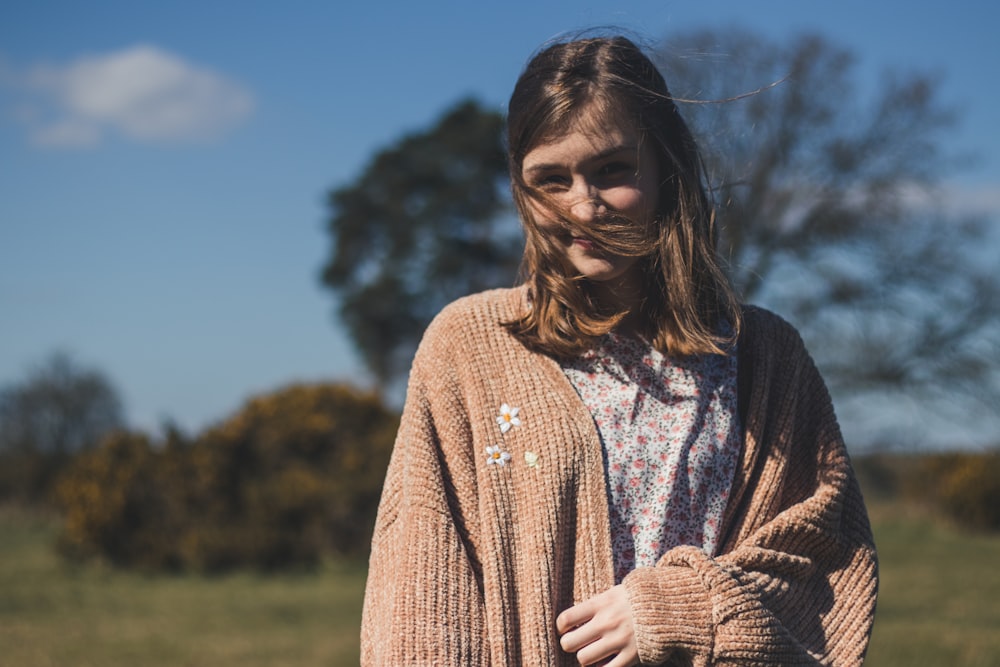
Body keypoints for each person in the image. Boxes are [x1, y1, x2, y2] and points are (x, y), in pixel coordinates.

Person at [361, 34, 877, 666]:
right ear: (522, 193)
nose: (584, 206)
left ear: (665, 165)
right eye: (551, 179)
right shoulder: (469, 345)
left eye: (613, 170)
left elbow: (823, 558)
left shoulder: (765, 355)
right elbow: (420, 579)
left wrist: (680, 609)